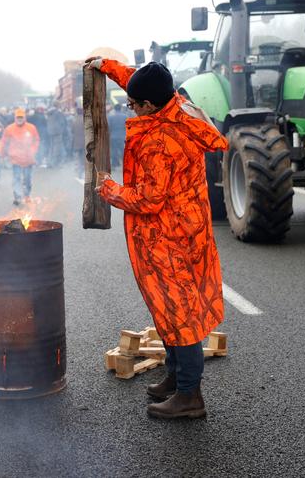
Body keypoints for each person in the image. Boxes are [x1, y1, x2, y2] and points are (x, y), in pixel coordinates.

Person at [88, 57, 228, 420]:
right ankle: (176, 376)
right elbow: (139, 82)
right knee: (168, 309)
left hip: (168, 237)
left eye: (134, 104)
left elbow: (149, 200)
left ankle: (189, 396)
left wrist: (108, 189)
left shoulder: (160, 141)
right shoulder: (175, 104)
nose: (130, 108)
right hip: (186, 227)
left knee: (180, 315)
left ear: (150, 105)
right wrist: (108, 66)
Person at [1, 108, 40, 205]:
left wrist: (33, 150)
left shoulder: (31, 128)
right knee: (16, 178)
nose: (19, 119)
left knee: (27, 179)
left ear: (24, 117)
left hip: (28, 158)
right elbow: (4, 143)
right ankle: (17, 197)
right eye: (18, 117)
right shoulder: (9, 129)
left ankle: (26, 195)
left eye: (21, 117)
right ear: (15, 117)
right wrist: (3, 154)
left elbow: (36, 140)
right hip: (15, 159)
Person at [109, 102, 128, 169]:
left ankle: (114, 164)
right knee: (123, 150)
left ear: (114, 109)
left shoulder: (111, 117)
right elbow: (127, 127)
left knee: (114, 150)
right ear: (121, 108)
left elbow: (109, 127)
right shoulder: (125, 117)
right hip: (122, 136)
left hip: (113, 136)